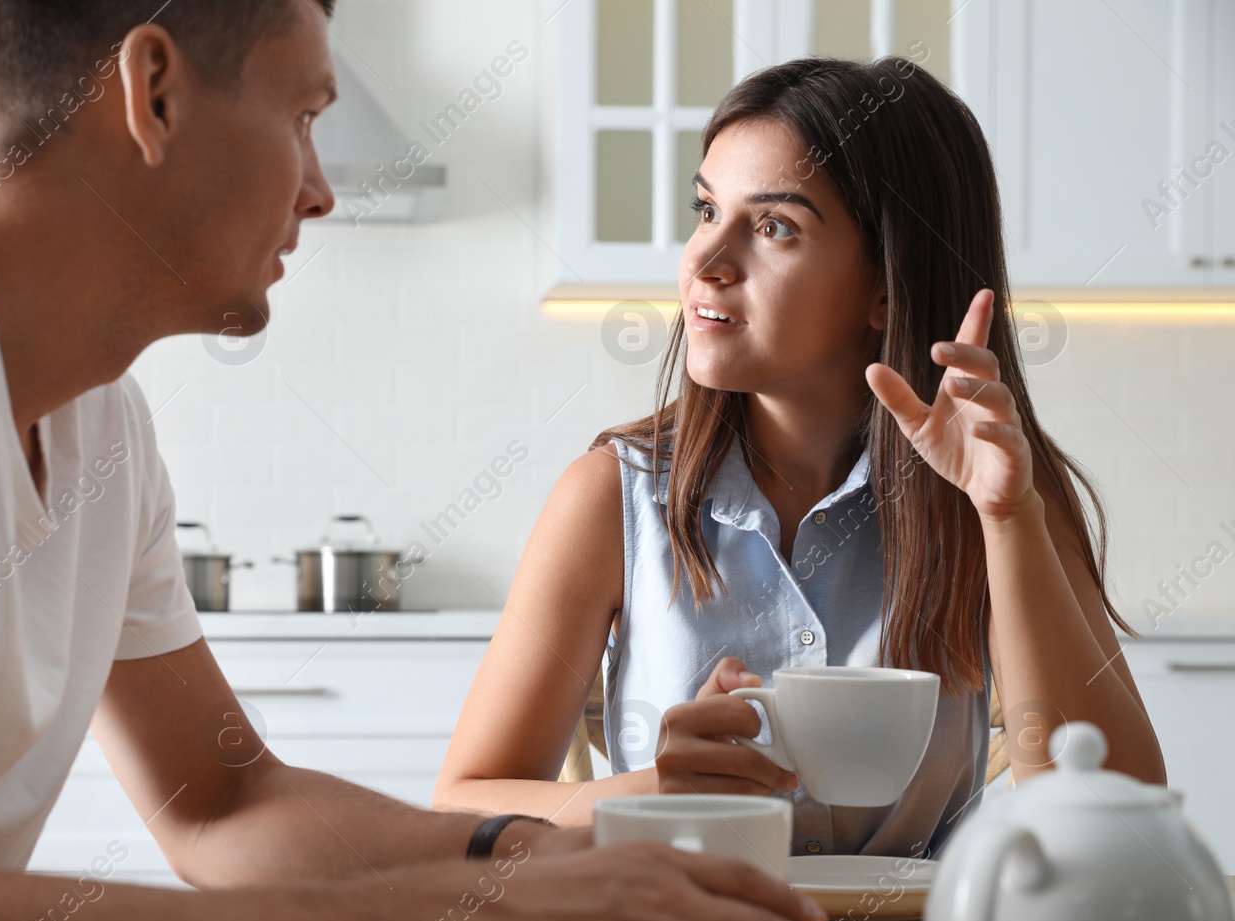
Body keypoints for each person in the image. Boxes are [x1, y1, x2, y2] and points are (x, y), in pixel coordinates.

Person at [0, 3, 846, 921]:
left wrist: (524, 858)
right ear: (150, 91)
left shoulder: (96, 419)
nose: (320, 185)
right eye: (304, 110)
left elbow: (223, 799)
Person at [435, 56, 1166, 857]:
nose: (705, 261)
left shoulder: (1001, 493)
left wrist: (1007, 516)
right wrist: (656, 791)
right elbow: (461, 805)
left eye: (775, 226)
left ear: (885, 288)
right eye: (705, 209)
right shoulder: (612, 496)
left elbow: (1116, 813)